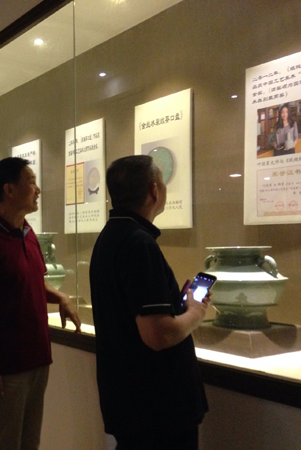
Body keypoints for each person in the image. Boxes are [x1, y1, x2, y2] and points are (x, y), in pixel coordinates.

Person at [90, 156, 209, 450]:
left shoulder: (110, 236)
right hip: (157, 409)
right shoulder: (138, 243)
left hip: (129, 402)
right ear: (154, 191)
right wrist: (195, 312)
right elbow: (158, 334)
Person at [0, 157, 81, 450]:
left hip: (37, 359)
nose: (38, 190)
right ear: (10, 190)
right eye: (31, 182)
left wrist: (61, 297)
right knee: (2, 443)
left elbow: (34, 282)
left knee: (30, 442)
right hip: (5, 365)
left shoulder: (28, 234)